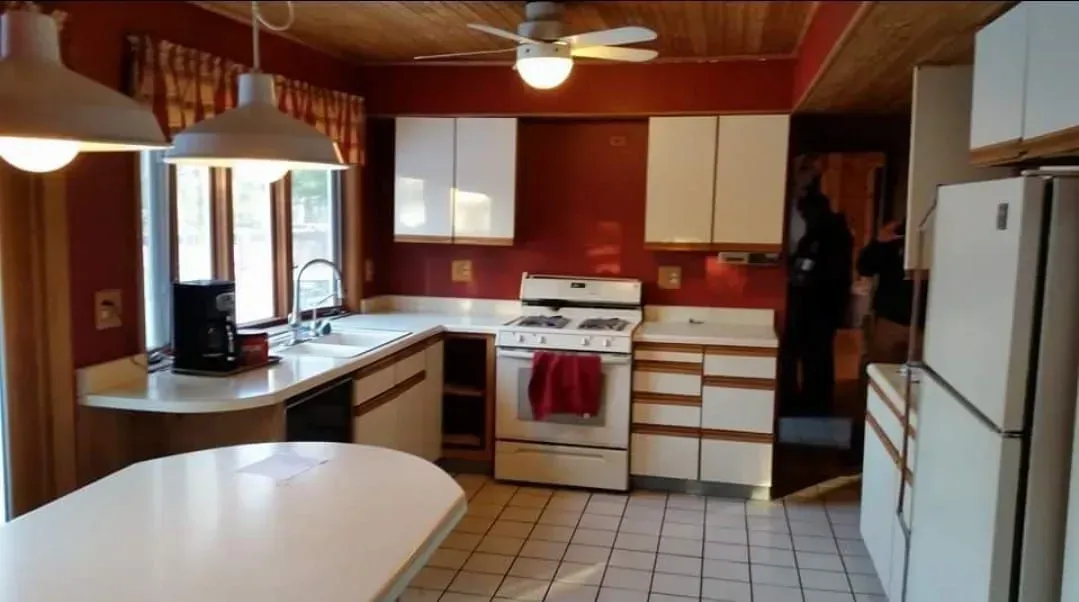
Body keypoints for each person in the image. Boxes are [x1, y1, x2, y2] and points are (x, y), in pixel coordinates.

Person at [780, 180, 854, 416]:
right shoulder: (833, 230)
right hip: (825, 303)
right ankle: (814, 405)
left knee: (808, 354)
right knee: (816, 356)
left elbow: (811, 268)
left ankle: (804, 405)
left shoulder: (823, 233)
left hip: (816, 303)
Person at [857, 220, 917, 363]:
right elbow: (865, 267)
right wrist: (879, 242)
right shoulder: (895, 237)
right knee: (882, 368)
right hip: (890, 318)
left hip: (924, 321)